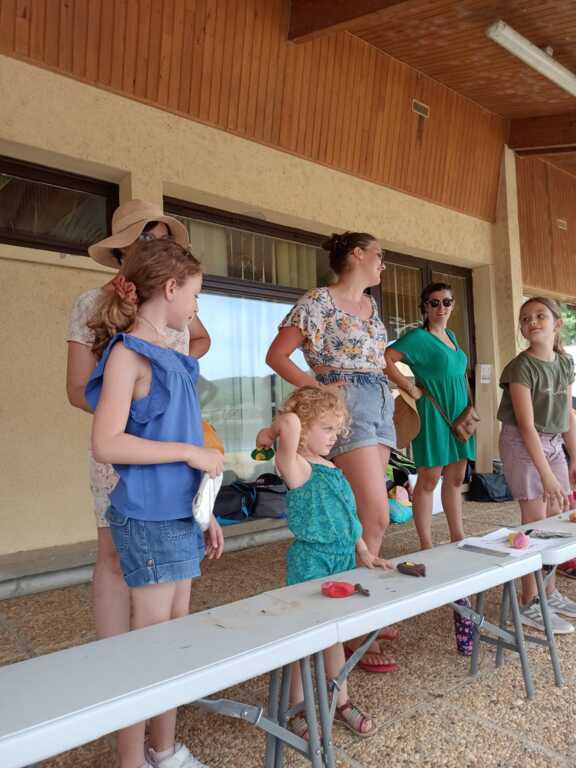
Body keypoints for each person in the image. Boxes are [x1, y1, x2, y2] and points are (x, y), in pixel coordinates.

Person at [86, 238, 224, 768]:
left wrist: (205, 511)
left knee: (174, 638)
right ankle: (132, 759)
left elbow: (181, 434)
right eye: (194, 294)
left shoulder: (174, 357)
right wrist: (190, 454)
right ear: (169, 289)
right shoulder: (128, 355)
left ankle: (163, 749)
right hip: (148, 517)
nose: (196, 306)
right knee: (150, 647)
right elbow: (107, 443)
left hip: (179, 515)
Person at [66, 200, 211, 642]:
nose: (158, 244)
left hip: (173, 463)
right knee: (117, 557)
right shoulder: (99, 313)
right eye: (148, 237)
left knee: (174, 597)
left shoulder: (174, 316)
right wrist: (139, 411)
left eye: (165, 239)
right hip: (135, 453)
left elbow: (199, 340)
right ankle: (117, 658)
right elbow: (80, 391)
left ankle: (159, 667)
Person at [266, 231, 399, 672]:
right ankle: (353, 626)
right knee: (376, 515)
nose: (383, 262)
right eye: (378, 254)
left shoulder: (371, 305)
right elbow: (277, 355)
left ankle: (354, 604)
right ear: (357, 254)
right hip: (346, 401)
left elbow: (377, 360)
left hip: (379, 402)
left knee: (365, 513)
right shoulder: (318, 301)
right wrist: (318, 389)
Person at [256, 386, 390, 738]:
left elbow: (348, 514)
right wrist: (271, 432)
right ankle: (296, 707)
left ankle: (340, 700)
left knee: (335, 636)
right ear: (303, 430)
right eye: (327, 428)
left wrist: (363, 550)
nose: (334, 436)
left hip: (342, 558)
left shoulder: (331, 467)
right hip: (312, 562)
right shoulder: (296, 466)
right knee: (305, 637)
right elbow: (288, 421)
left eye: (337, 429)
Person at [497, 296, 576, 634]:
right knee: (535, 521)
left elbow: (568, 413)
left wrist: (574, 458)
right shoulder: (521, 368)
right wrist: (547, 475)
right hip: (522, 443)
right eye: (526, 318)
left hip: (553, 442)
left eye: (540, 316)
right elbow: (526, 426)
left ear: (557, 324)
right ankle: (529, 601)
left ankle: (549, 591)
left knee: (556, 519)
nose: (532, 322)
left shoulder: (565, 363)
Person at [385, 282, 475, 550]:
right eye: (434, 303)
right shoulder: (417, 338)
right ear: (425, 307)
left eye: (446, 302)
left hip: (460, 414)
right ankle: (426, 545)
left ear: (453, 305)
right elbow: (385, 358)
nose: (441, 307)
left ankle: (458, 537)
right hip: (433, 412)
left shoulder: (452, 336)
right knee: (429, 478)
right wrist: (408, 385)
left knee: (456, 477)